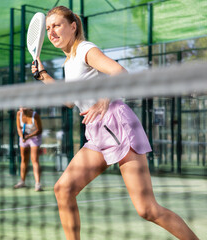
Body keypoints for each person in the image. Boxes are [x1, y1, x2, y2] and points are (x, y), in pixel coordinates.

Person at [31, 6, 199, 240]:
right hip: (96, 132)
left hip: (117, 124)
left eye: (57, 25)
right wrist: (45, 77)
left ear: (73, 26)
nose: (51, 32)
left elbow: (119, 71)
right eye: (48, 28)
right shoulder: (68, 63)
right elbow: (70, 101)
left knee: (147, 209)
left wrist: (102, 101)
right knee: (63, 189)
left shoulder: (86, 50)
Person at [14, 107, 43, 191]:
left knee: (34, 160)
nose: (22, 108)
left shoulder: (35, 115)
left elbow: (39, 130)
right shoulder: (19, 113)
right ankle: (22, 182)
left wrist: (28, 137)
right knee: (24, 159)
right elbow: (19, 127)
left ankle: (37, 184)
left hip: (34, 137)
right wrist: (22, 136)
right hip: (24, 138)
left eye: (24, 106)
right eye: (21, 106)